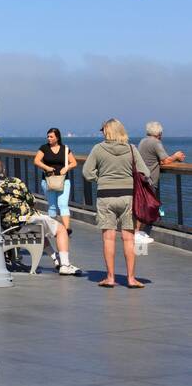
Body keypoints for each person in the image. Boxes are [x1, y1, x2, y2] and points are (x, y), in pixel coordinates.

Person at [83, 119, 150, 289]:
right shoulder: (131, 149)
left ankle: (110, 277)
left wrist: (101, 179)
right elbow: (145, 172)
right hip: (128, 196)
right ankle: (131, 278)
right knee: (128, 238)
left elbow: (87, 172)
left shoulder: (98, 149)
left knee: (108, 238)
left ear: (107, 131)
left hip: (106, 196)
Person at [33, 127, 80, 274]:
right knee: (52, 205)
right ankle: (53, 228)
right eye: (48, 136)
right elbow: (36, 160)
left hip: (63, 181)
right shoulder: (44, 148)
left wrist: (66, 169)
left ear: (57, 137)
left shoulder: (65, 149)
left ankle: (65, 230)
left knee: (63, 204)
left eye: (51, 136)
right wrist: (47, 168)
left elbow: (74, 162)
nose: (49, 139)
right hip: (48, 181)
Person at [137, 122, 183, 246]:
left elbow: (156, 160)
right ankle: (137, 233)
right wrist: (176, 156)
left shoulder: (143, 141)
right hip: (150, 180)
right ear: (159, 134)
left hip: (140, 178)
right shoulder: (156, 143)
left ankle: (139, 231)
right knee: (147, 206)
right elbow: (165, 160)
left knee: (145, 205)